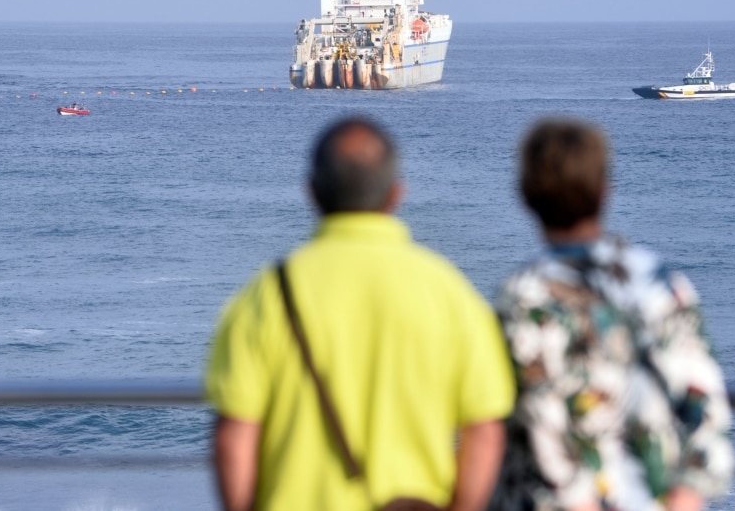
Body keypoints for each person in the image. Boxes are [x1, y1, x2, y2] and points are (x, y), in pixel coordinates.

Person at [206, 116, 517, 511]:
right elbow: (486, 432)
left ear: (313, 193)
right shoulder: (450, 293)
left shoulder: (264, 297)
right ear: (396, 194)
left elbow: (234, 435)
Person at [491, 118, 735, 511]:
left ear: (525, 195)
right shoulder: (664, 284)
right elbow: (705, 407)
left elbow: (542, 418)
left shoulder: (524, 297)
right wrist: (685, 496)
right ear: (606, 191)